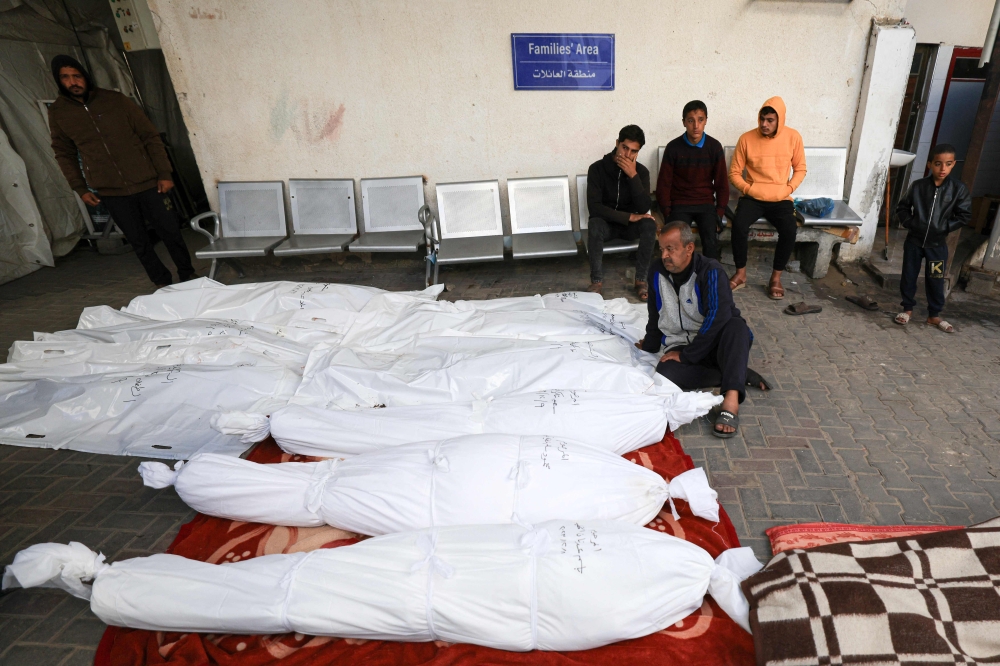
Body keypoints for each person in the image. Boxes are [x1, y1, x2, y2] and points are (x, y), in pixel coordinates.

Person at [48, 55, 196, 288]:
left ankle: (188, 276)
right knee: (139, 241)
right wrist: (79, 187)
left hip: (148, 181)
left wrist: (164, 173)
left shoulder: (115, 100)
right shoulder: (58, 112)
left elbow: (150, 136)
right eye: (65, 77)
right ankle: (163, 284)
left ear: (85, 77)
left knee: (170, 232)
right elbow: (63, 153)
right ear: (59, 81)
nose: (72, 82)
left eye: (76, 76)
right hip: (111, 190)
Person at [638, 221, 769, 438]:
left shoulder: (711, 271)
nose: (664, 255)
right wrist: (650, 344)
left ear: (689, 248)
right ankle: (735, 371)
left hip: (720, 342)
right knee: (665, 371)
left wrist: (687, 356)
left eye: (671, 249)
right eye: (662, 249)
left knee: (737, 327)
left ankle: (731, 400)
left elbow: (718, 317)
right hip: (683, 342)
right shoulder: (656, 272)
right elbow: (655, 313)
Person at [728, 97, 806, 300]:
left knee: (790, 229)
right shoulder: (746, 139)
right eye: (762, 119)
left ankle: (775, 278)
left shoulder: (793, 137)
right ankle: (741, 273)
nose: (764, 124)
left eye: (770, 120)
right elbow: (734, 172)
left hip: (780, 198)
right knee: (739, 225)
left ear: (779, 120)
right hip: (753, 197)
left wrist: (788, 188)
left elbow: (800, 168)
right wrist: (748, 188)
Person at [893, 144, 972, 333]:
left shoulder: (958, 189)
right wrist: (911, 223)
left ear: (953, 164)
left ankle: (934, 315)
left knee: (936, 278)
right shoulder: (918, 186)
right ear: (930, 164)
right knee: (909, 276)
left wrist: (942, 228)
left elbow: (964, 215)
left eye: (948, 164)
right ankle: (907, 310)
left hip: (936, 245)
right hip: (914, 242)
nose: (942, 169)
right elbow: (902, 208)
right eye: (938, 164)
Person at [586, 125, 656, 300]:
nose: (627, 155)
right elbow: (595, 207)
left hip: (629, 228)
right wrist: (628, 216)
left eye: (633, 151)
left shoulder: (641, 172)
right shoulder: (597, 169)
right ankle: (596, 281)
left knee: (649, 224)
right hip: (606, 225)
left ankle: (641, 280)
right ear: (617, 144)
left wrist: (633, 177)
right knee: (594, 224)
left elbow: (643, 207)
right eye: (625, 148)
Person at [655, 100, 729, 260]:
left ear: (706, 121)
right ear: (684, 123)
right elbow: (663, 184)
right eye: (691, 120)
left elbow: (722, 184)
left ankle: (710, 276)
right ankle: (679, 274)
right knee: (677, 241)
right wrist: (667, 212)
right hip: (680, 204)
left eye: (700, 120)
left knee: (710, 240)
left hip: (705, 204)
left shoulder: (714, 147)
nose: (696, 125)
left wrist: (719, 211)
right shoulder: (673, 147)